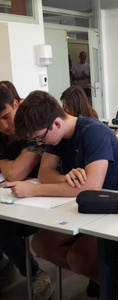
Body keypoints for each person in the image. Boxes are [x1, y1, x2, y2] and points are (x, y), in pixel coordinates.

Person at [6, 90, 118, 297]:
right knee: (41, 245)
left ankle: (117, 286)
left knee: (77, 258)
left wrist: (34, 190)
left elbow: (91, 187)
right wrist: (68, 178)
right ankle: (105, 279)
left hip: (117, 210)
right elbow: (44, 173)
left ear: (57, 124)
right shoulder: (56, 137)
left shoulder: (94, 132)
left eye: (40, 138)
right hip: (84, 206)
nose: (41, 144)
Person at [0, 84, 53, 299]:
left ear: (16, 104)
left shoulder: (33, 124)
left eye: (5, 116)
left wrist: (4, 163)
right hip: (14, 196)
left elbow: (16, 172)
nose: (3, 126)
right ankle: (5, 265)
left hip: (45, 199)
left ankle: (33, 273)